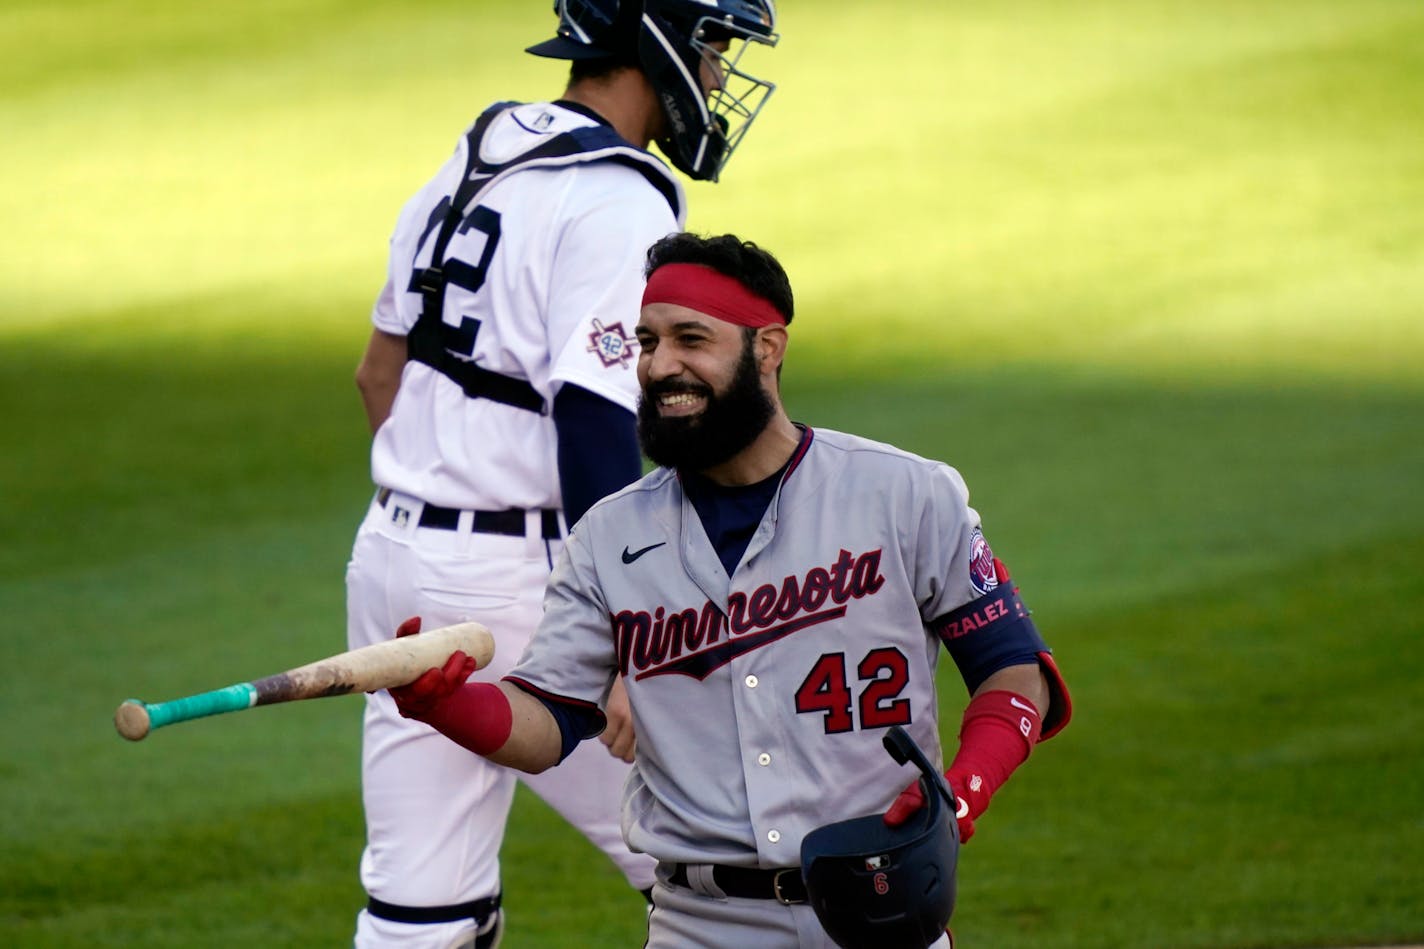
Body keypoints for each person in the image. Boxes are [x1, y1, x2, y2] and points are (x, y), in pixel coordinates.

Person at [386, 232, 1074, 949]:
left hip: (880, 909)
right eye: (647, 342)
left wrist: (962, 791)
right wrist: (443, 701)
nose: (661, 365)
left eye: (692, 338)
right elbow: (549, 722)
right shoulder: (606, 536)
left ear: (767, 348)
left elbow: (1016, 672)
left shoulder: (905, 493)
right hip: (700, 925)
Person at [345, 3, 780, 946]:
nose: (716, 77)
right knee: (739, 866)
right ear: (654, 40)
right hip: (528, 585)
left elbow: (377, 373)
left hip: (394, 558)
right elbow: (594, 423)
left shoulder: (476, 154)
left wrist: (434, 515)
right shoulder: (618, 197)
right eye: (713, 47)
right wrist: (631, 638)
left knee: (420, 906)